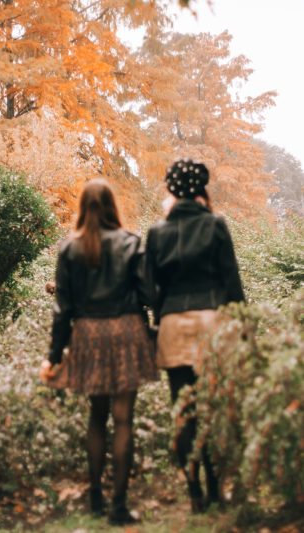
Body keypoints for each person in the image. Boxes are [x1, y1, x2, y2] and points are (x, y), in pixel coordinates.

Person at [40, 178, 157, 525]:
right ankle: (119, 506)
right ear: (112, 205)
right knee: (123, 420)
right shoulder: (131, 243)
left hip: (88, 334)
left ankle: (95, 498)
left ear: (82, 207)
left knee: (96, 416)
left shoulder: (69, 248)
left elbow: (64, 309)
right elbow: (150, 294)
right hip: (126, 331)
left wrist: (54, 355)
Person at [145, 159, 245, 513]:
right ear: (201, 190)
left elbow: (148, 289)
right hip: (212, 320)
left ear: (172, 191)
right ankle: (217, 487)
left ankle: (194, 491)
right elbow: (232, 282)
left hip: (173, 322)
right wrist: (243, 330)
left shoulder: (157, 233)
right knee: (213, 404)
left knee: (183, 410)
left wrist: (158, 320)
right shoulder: (216, 225)